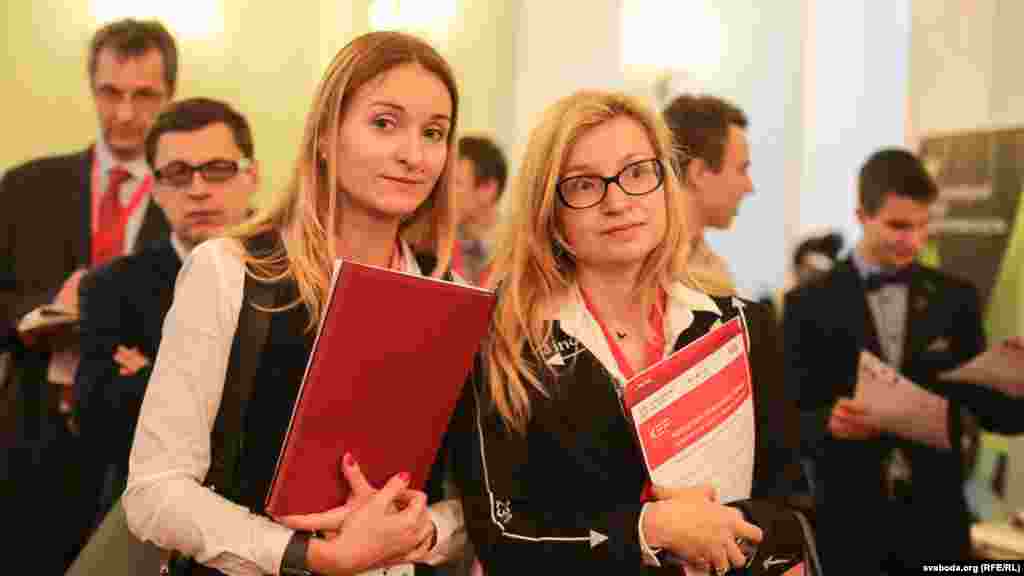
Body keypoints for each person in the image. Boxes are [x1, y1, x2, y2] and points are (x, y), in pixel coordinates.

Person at [123, 31, 467, 576]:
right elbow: (155, 491)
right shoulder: (232, 270)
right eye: (384, 123)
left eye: (433, 133)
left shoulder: (450, 295)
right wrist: (310, 554)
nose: (412, 155)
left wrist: (423, 531)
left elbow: (475, 496)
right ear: (326, 137)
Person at [449, 91, 804, 575]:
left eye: (637, 173)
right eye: (584, 184)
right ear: (549, 208)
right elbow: (501, 538)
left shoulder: (742, 325)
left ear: (665, 184)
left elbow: (793, 507)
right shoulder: (504, 341)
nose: (617, 202)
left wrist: (724, 528)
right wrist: (648, 530)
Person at [783, 148, 1024, 573]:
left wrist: (1016, 383)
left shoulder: (956, 299)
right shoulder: (808, 303)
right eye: (898, 226)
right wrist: (827, 422)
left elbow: (990, 411)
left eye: (923, 226)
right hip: (848, 524)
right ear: (861, 215)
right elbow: (785, 416)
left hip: (938, 522)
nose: (914, 240)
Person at [0, 18, 175, 572]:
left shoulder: (191, 200)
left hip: (137, 446)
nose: (124, 113)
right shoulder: (25, 187)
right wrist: (38, 312)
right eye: (110, 93)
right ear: (92, 89)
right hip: (30, 433)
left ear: (169, 95)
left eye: (144, 96)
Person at [74, 97, 258, 535]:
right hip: (151, 521)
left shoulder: (297, 273)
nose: (198, 189)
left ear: (252, 176)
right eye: (177, 174)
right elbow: (100, 422)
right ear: (155, 189)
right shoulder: (111, 287)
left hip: (268, 513)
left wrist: (153, 375)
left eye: (217, 170)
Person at [661, 94, 753, 289]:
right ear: (699, 173)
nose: (749, 187)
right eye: (741, 170)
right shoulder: (640, 268)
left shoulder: (714, 269)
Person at [451, 135, 507, 286]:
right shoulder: (438, 242)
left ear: (488, 189)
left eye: (456, 183)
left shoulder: (518, 252)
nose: (445, 192)